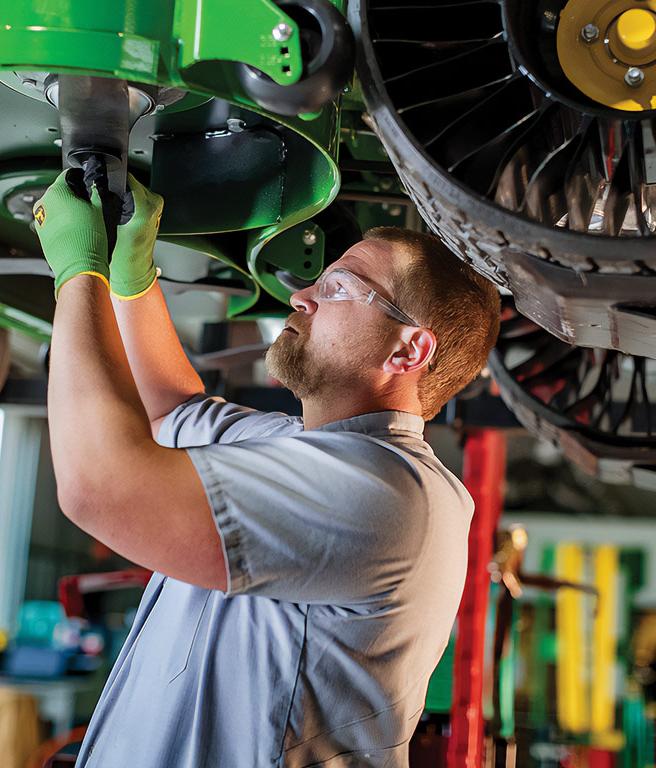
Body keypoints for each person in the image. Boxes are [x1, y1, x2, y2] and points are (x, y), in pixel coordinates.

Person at [33, 168, 501, 767]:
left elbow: (101, 488)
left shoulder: (391, 494)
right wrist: (131, 276)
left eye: (337, 288)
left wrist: (78, 275)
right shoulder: (297, 445)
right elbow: (173, 412)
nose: (300, 297)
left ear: (408, 350)